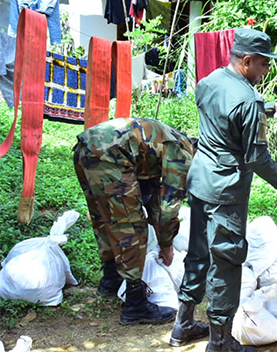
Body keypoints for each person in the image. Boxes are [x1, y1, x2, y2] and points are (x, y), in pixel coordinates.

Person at [170, 29, 277, 351]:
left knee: (198, 253)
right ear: (246, 61)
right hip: (226, 191)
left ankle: (183, 323)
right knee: (226, 261)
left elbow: (227, 113)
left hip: (201, 180)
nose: (265, 71)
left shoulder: (208, 82)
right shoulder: (249, 101)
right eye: (263, 64)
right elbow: (256, 157)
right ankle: (220, 342)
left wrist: (270, 107)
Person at [73, 117, 195, 326]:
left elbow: (154, 197)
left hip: (85, 147)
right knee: (131, 226)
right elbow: (168, 207)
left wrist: (161, 233)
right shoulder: (183, 154)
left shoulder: (169, 139)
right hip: (111, 155)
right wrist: (166, 245)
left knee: (103, 215)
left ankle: (111, 279)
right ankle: (135, 304)